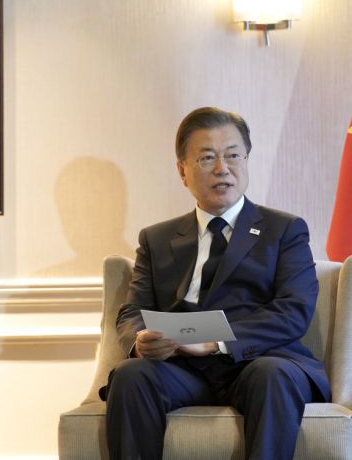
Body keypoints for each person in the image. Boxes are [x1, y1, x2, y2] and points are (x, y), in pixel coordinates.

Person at [102, 107, 330, 459]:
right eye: (207, 157)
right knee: (132, 374)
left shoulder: (284, 230)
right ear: (182, 170)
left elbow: (293, 311)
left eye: (233, 155)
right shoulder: (156, 238)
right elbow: (134, 310)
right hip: (180, 367)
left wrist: (214, 342)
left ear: (247, 160)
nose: (222, 168)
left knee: (273, 374)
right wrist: (140, 342)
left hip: (258, 361)